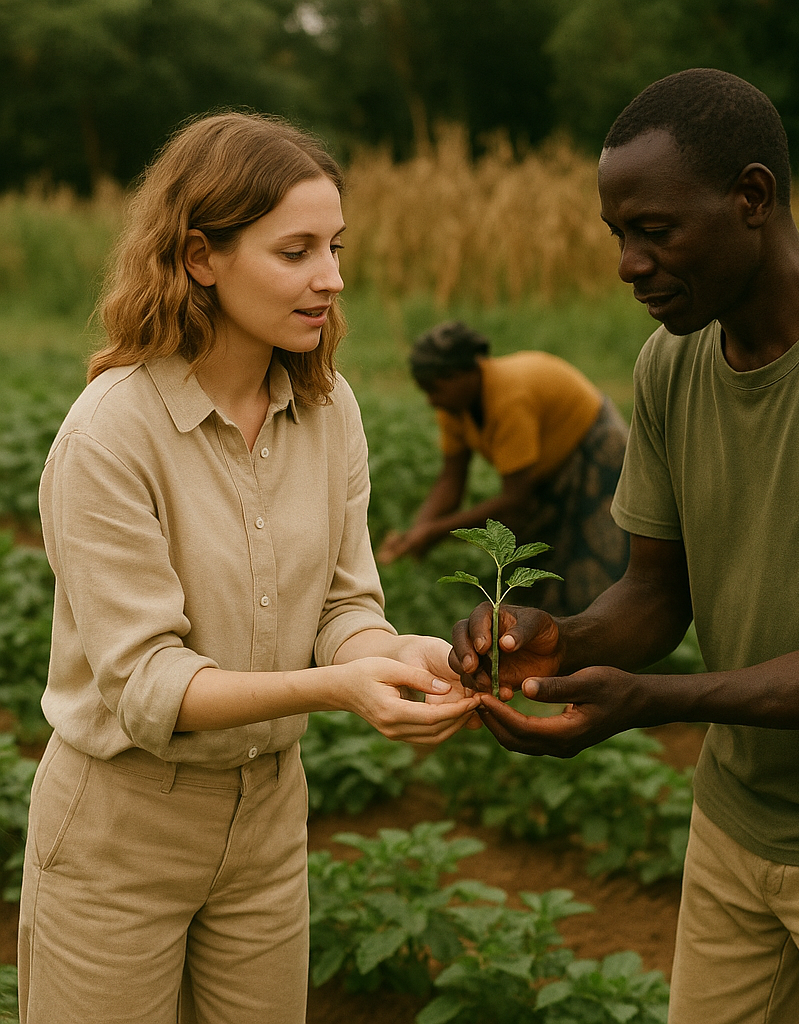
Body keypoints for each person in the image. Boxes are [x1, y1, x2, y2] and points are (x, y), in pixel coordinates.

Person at [452, 69, 799, 1024]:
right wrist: (566, 642)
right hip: (739, 818)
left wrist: (650, 704)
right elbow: (657, 592)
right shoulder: (673, 359)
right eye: (618, 235)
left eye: (655, 230)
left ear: (752, 198)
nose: (629, 262)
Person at [20, 111, 481, 1023]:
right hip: (121, 831)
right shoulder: (112, 434)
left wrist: (392, 654)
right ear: (200, 257)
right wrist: (337, 686)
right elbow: (149, 686)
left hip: (270, 824)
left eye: (336, 247)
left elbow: (348, 601)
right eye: (296, 250)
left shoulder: (329, 407)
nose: (331, 278)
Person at [376, 320, 630, 615]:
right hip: (546, 469)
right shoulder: (454, 407)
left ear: (467, 374)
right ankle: (544, 635)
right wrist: (416, 532)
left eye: (435, 389)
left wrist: (435, 533)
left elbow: (515, 501)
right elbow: (451, 479)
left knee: (592, 562)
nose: (432, 401)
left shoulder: (510, 399)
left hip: (594, 448)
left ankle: (594, 643)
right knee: (539, 561)